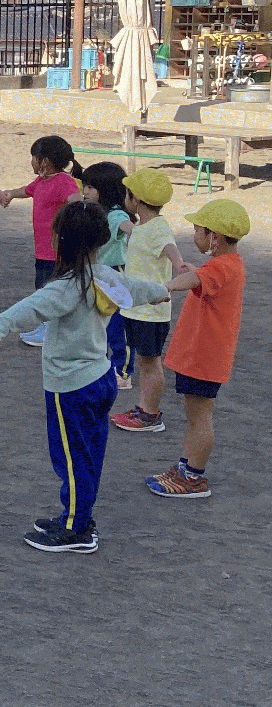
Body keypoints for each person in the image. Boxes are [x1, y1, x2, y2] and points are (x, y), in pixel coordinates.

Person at [0, 201, 170, 552]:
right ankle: (77, 516)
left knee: (72, 458)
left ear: (59, 241)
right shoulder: (105, 275)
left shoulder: (67, 286)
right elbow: (138, 288)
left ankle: (76, 528)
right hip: (101, 378)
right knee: (88, 454)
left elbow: (29, 309)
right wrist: (161, 291)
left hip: (71, 386)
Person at [148, 198, 248, 500]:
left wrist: (166, 287)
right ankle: (186, 468)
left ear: (214, 237)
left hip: (205, 357)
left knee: (199, 417)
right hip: (205, 357)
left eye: (197, 230)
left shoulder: (221, 266)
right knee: (195, 416)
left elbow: (198, 278)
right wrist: (192, 273)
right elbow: (202, 278)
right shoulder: (228, 264)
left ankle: (193, 477)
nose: (194, 235)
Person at [109, 169, 186, 436]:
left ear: (137, 199)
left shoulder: (157, 228)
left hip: (150, 312)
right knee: (144, 362)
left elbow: (169, 247)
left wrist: (179, 264)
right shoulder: (143, 226)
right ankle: (143, 408)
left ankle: (149, 414)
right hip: (137, 308)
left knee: (150, 362)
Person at [0, 136, 85, 347]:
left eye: (33, 157)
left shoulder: (63, 181)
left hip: (57, 251)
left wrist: (69, 220)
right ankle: (47, 326)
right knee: (42, 286)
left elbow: (76, 201)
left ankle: (51, 330)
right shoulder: (42, 181)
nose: (31, 162)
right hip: (43, 249)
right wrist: (10, 194)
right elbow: (26, 190)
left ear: (45, 161)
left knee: (50, 290)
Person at [78, 160, 135, 384]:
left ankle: (123, 371)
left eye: (90, 187)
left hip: (115, 273)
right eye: (85, 186)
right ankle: (101, 365)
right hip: (96, 272)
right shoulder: (93, 211)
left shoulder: (115, 215)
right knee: (97, 321)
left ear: (106, 189)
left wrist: (143, 235)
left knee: (118, 325)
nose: (85, 191)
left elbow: (129, 227)